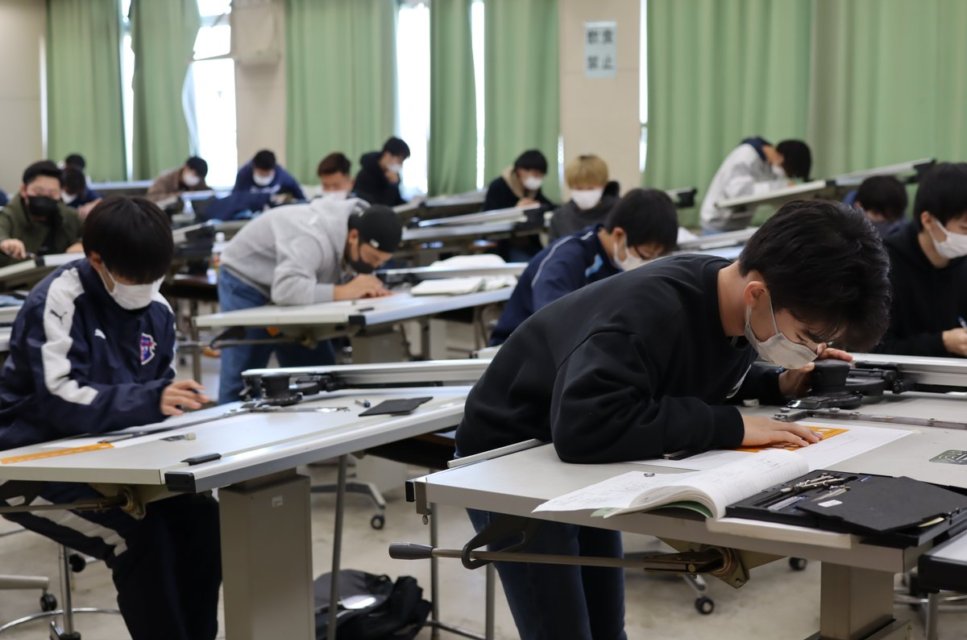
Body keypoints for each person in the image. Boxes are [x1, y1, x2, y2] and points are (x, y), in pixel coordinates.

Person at [456, 200, 891, 640]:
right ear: (757, 294)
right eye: (806, 337)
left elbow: (686, 370)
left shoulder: (733, 304)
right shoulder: (649, 311)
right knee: (561, 630)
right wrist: (732, 427)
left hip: (573, 453)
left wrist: (779, 383)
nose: (811, 349)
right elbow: (586, 426)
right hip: (510, 453)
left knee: (607, 628)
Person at [0, 197, 221, 640]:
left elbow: (159, 393)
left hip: (111, 457)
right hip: (27, 463)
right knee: (140, 537)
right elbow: (60, 400)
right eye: (134, 276)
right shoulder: (60, 299)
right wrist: (152, 400)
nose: (145, 286)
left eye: (155, 276)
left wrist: (178, 409)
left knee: (204, 521)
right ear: (95, 258)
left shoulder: (157, 310)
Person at [217, 198, 403, 403]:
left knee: (317, 371)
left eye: (381, 262)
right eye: (372, 258)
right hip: (246, 280)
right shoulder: (310, 237)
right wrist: (344, 291)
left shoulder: (350, 235)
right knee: (244, 377)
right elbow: (286, 290)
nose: (374, 266)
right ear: (353, 236)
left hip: (284, 285)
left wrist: (363, 290)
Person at [491, 188, 678, 345]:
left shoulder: (618, 262)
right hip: (519, 352)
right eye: (646, 255)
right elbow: (554, 323)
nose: (648, 263)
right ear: (619, 235)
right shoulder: (566, 259)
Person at [874, 162, 967, 357]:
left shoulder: (962, 261)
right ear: (928, 220)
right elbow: (874, 350)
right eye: (965, 228)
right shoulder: (883, 265)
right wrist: (942, 343)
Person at [700, 137, 812, 233]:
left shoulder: (769, 165)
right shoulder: (746, 155)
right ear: (782, 158)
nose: (785, 175)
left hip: (737, 224)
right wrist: (782, 185)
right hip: (718, 222)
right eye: (789, 172)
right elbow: (739, 192)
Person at [0, 160, 83, 266]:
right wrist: (6, 243)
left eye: (52, 193)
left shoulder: (69, 217)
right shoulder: (9, 215)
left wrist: (82, 244)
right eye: (38, 192)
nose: (45, 197)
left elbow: (93, 234)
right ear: (24, 190)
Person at [548, 154, 620, 241]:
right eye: (579, 188)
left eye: (590, 188)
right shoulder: (560, 218)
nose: (585, 193)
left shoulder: (618, 213)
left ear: (603, 185)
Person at [484, 149, 555, 212]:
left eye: (541, 175)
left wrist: (538, 205)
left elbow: (549, 206)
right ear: (520, 170)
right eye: (535, 174)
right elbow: (488, 214)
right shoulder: (498, 186)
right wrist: (516, 209)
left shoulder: (533, 189)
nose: (538, 179)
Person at [354, 137, 410, 206]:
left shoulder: (392, 175)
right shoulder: (365, 175)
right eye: (399, 161)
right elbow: (378, 205)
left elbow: (396, 201)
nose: (400, 165)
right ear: (387, 155)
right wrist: (391, 185)